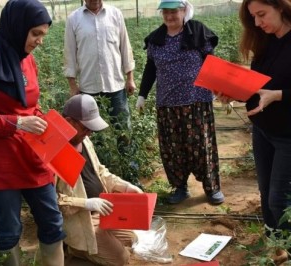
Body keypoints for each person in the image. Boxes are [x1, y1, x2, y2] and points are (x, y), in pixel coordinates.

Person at [0, 0, 66, 265]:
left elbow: (30, 105)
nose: (40, 41)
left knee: (52, 222)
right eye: (35, 34)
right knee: (9, 229)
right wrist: (16, 123)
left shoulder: (26, 58)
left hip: (31, 154)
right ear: (18, 27)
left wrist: (44, 121)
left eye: (43, 34)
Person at [136, 0, 224, 205]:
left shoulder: (198, 32)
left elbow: (212, 63)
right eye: (165, 12)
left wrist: (222, 90)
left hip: (197, 102)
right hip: (167, 105)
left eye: (173, 11)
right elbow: (151, 69)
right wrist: (142, 95)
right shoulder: (156, 39)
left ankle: (212, 188)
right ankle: (180, 187)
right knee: (173, 149)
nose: (169, 16)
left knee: (202, 146)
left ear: (184, 10)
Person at [223, 0, 291, 263]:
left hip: (288, 135)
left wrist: (279, 95)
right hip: (263, 130)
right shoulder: (265, 42)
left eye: (262, 14)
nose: (258, 23)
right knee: (266, 192)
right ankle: (276, 245)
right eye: (253, 17)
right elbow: (257, 87)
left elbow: (271, 91)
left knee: (279, 200)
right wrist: (233, 91)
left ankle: (288, 246)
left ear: (281, 7)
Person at [56, 94, 143, 266]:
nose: (89, 132)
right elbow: (52, 200)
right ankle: (74, 250)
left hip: (101, 212)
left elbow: (100, 171)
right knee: (121, 259)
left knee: (132, 239)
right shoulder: (56, 150)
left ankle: (96, 247)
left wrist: (125, 186)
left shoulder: (84, 140)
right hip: (80, 219)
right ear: (69, 122)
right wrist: (86, 203)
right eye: (85, 128)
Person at [63, 0, 138, 181]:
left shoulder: (115, 14)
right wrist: (73, 86)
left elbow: (124, 47)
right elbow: (69, 54)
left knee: (124, 131)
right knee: (91, 138)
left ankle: (131, 175)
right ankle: (95, 178)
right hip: (89, 90)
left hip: (116, 86)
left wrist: (130, 78)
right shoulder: (74, 19)